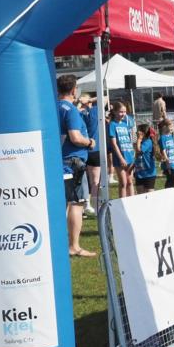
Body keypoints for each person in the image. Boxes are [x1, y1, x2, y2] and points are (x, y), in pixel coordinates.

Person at [58, 75, 97, 257]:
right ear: (74, 90)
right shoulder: (70, 110)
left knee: (63, 203)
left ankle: (61, 243)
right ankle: (74, 246)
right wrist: (89, 142)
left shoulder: (54, 107)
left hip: (60, 160)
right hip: (73, 161)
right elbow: (75, 137)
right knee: (77, 202)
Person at [80, 93, 103, 216]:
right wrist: (88, 100)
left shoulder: (78, 113)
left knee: (84, 180)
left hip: (83, 150)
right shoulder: (94, 111)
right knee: (95, 182)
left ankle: (86, 205)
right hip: (94, 149)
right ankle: (95, 207)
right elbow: (104, 98)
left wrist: (81, 102)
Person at [107, 101, 136, 198]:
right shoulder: (112, 125)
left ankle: (132, 201)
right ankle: (122, 203)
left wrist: (133, 153)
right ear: (115, 112)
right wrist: (121, 158)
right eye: (120, 112)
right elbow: (114, 143)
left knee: (130, 181)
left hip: (129, 155)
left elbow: (130, 140)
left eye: (124, 112)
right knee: (123, 182)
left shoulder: (125, 124)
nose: (123, 114)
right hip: (120, 157)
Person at [134, 123, 159, 194]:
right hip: (139, 173)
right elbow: (137, 157)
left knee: (149, 193)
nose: (136, 132)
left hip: (149, 174)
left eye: (138, 131)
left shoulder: (148, 142)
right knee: (140, 193)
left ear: (143, 133)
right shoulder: (142, 142)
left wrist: (139, 139)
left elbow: (139, 150)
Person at [158, 119, 174, 188]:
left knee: (173, 178)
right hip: (168, 162)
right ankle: (167, 192)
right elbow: (163, 150)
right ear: (165, 127)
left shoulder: (171, 136)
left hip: (173, 161)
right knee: (170, 178)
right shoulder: (162, 138)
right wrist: (167, 160)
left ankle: (171, 191)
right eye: (170, 126)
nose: (172, 127)